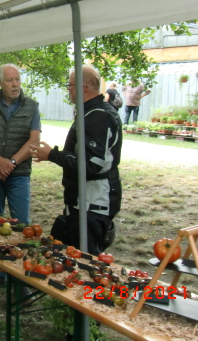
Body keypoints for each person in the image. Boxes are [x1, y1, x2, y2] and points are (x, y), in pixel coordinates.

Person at [31, 66, 122, 256]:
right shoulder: (92, 112)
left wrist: (52, 155)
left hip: (93, 202)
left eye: (70, 86)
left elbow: (91, 164)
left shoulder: (98, 115)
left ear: (82, 87)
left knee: (85, 259)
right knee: (68, 252)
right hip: (83, 201)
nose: (68, 90)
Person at [0, 64, 41, 222]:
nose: (15, 84)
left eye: (17, 79)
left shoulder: (32, 106)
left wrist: (10, 164)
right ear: (0, 82)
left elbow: (34, 140)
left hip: (19, 174)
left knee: (21, 224)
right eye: (10, 80)